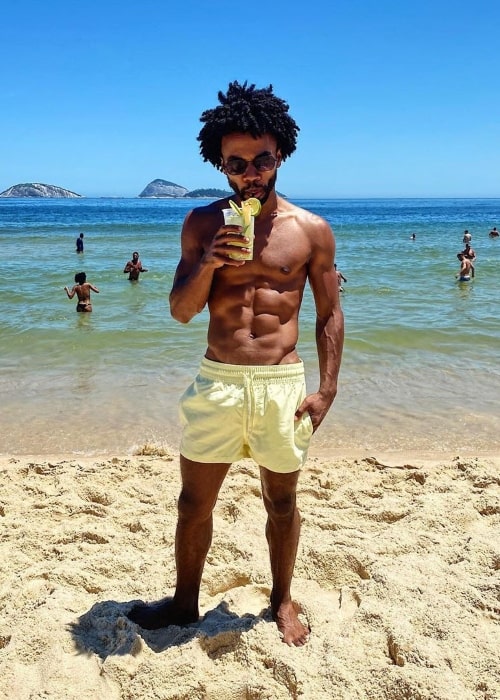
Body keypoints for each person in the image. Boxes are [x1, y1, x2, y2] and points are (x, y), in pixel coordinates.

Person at [127, 81, 344, 646]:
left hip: (281, 385)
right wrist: (207, 261)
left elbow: (329, 315)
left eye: (262, 159)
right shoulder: (201, 222)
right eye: (238, 163)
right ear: (220, 165)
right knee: (194, 501)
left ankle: (282, 599)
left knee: (282, 501)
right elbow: (180, 312)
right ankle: (183, 604)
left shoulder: (311, 231)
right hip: (218, 380)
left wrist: (327, 390)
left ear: (281, 156)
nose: (252, 172)